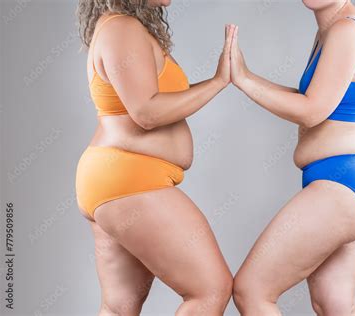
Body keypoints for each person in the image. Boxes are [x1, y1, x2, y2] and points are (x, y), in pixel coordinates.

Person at [75, 1, 235, 315]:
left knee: (120, 306)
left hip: (117, 182)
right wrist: (218, 83)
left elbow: (158, 102)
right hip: (129, 180)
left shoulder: (120, 27)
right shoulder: (122, 29)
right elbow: (146, 112)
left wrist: (217, 79)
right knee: (211, 289)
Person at [229, 1, 355, 315]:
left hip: (343, 183)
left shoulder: (345, 31)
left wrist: (245, 82)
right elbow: (310, 98)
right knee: (334, 304)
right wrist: (246, 75)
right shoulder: (330, 30)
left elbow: (312, 111)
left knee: (252, 290)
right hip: (347, 183)